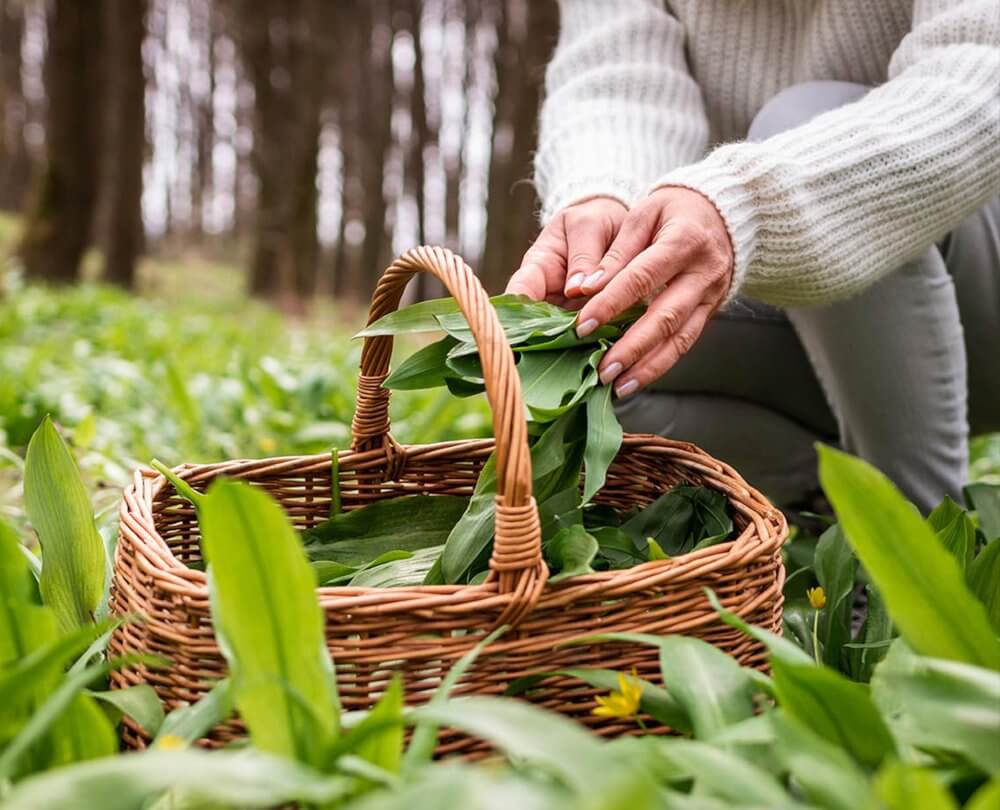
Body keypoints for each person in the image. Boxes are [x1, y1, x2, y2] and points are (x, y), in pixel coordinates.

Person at [506, 0, 1000, 511]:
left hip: (977, 292)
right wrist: (607, 203)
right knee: (600, 358)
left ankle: (925, 551)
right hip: (804, 328)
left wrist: (749, 204)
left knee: (803, 116)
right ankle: (830, 510)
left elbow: (981, 74)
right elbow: (614, 78)